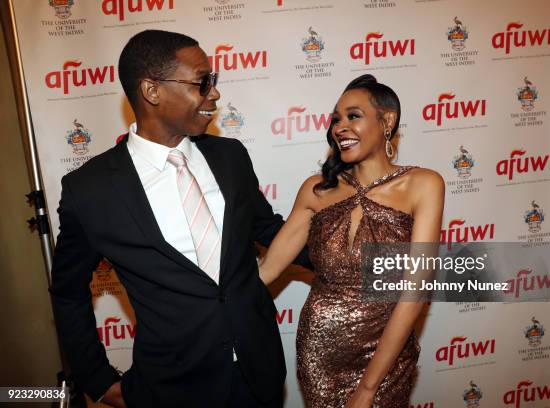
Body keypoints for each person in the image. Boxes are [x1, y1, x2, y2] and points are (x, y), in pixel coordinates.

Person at [50, 29, 309, 408]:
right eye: (203, 82)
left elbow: (268, 230)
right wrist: (99, 380)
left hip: (260, 372)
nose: (215, 93)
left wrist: (356, 256)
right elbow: (68, 292)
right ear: (152, 91)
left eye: (213, 81)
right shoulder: (89, 190)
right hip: (172, 388)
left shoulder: (230, 156)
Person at [259, 74, 444, 407]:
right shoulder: (317, 190)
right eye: (335, 120)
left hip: (386, 357)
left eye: (353, 116)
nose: (339, 127)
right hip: (320, 354)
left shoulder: (423, 184)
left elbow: (415, 290)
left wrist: (369, 387)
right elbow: (267, 271)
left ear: (387, 121)